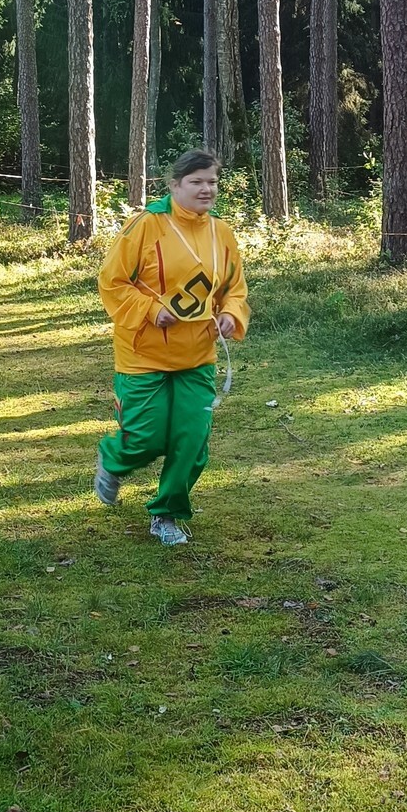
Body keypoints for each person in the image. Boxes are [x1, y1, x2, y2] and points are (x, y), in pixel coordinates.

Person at [94, 148, 249, 547]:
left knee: (191, 439)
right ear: (175, 185)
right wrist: (150, 310)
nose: (206, 189)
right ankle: (114, 460)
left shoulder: (222, 233)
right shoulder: (146, 225)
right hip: (143, 355)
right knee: (146, 438)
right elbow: (112, 281)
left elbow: (234, 288)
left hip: (197, 356)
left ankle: (166, 514)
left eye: (212, 181)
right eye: (196, 182)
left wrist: (230, 314)